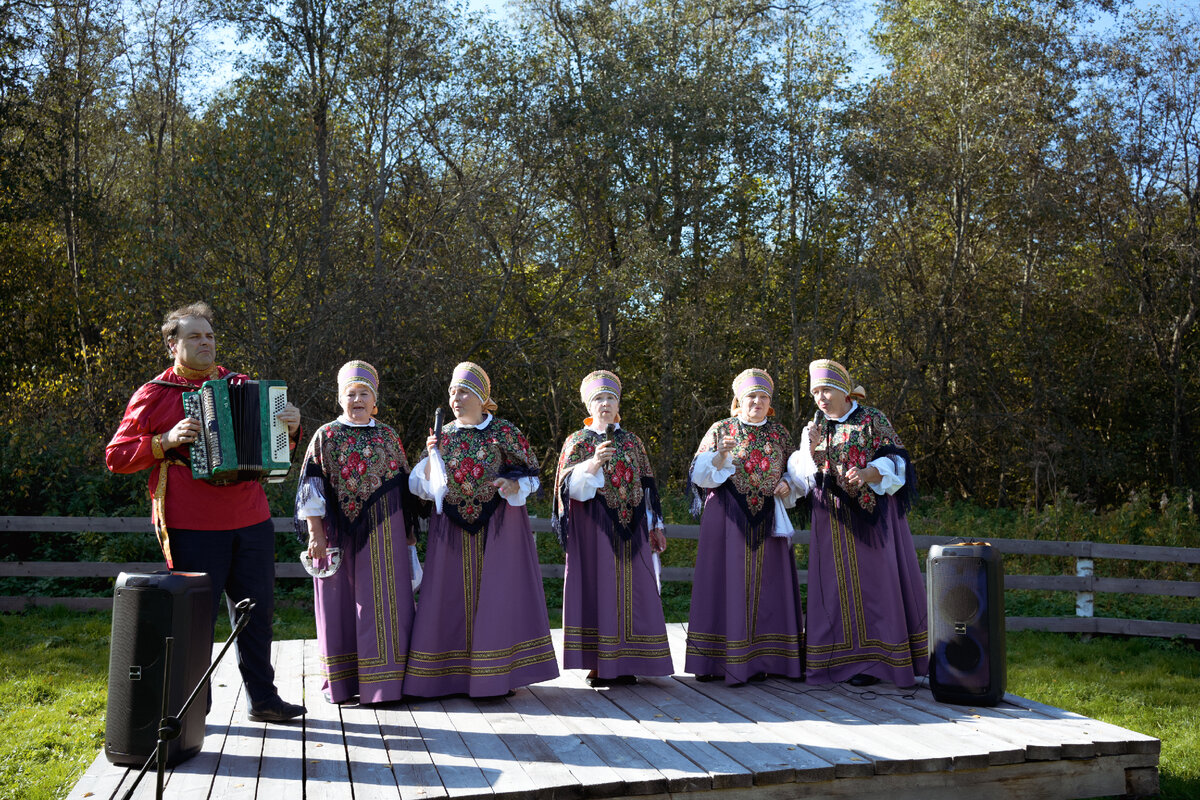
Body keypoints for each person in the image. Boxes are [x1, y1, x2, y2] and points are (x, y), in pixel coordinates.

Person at [105, 301, 307, 723]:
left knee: (258, 613)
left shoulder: (243, 384)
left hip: (251, 517)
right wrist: (164, 439)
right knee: (193, 624)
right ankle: (193, 710)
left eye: (210, 335)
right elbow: (117, 457)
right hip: (190, 522)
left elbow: (276, 453)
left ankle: (263, 699)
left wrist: (291, 426)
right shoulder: (154, 394)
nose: (205, 342)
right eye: (194, 336)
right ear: (172, 345)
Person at [403, 362, 558, 698]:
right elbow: (422, 486)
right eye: (452, 392)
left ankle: (495, 676)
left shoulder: (504, 432)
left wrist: (514, 485)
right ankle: (447, 676)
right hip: (452, 532)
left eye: (462, 391)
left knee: (497, 597)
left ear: (480, 396)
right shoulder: (443, 437)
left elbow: (531, 475)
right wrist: (431, 458)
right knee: (449, 596)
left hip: (500, 528)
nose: (455, 398)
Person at [787, 359, 928, 687]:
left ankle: (877, 662)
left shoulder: (871, 418)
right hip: (831, 518)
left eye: (826, 390)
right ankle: (837, 660)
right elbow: (804, 472)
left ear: (844, 391)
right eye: (815, 392)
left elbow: (897, 459)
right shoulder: (816, 425)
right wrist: (809, 447)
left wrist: (867, 473)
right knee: (834, 588)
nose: (820, 398)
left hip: (872, 516)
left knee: (876, 585)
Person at [295, 361, 418, 705]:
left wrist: (409, 541)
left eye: (364, 393)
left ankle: (388, 685)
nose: (357, 399)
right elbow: (311, 489)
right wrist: (315, 533)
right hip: (338, 534)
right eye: (351, 394)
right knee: (341, 603)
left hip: (385, 533)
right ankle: (345, 683)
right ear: (340, 399)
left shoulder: (388, 435)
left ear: (375, 402)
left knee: (386, 604)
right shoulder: (325, 436)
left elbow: (405, 492)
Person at [551, 370, 672, 686]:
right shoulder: (577, 441)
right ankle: (598, 663)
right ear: (589, 406)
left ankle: (628, 661)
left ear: (618, 404)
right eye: (598, 399)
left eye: (610, 398)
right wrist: (592, 463)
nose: (605, 404)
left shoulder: (632, 441)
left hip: (632, 528)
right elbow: (568, 490)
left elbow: (647, 487)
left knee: (632, 593)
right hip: (594, 529)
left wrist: (655, 525)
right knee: (598, 589)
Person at [684, 368, 805, 685]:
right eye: (752, 396)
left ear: (770, 403)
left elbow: (796, 470)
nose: (758, 401)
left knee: (769, 586)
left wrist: (787, 483)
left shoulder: (779, 434)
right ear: (739, 400)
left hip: (768, 518)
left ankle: (767, 659)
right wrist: (721, 456)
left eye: (764, 397)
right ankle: (714, 661)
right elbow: (699, 474)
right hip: (726, 514)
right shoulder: (721, 429)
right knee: (721, 582)